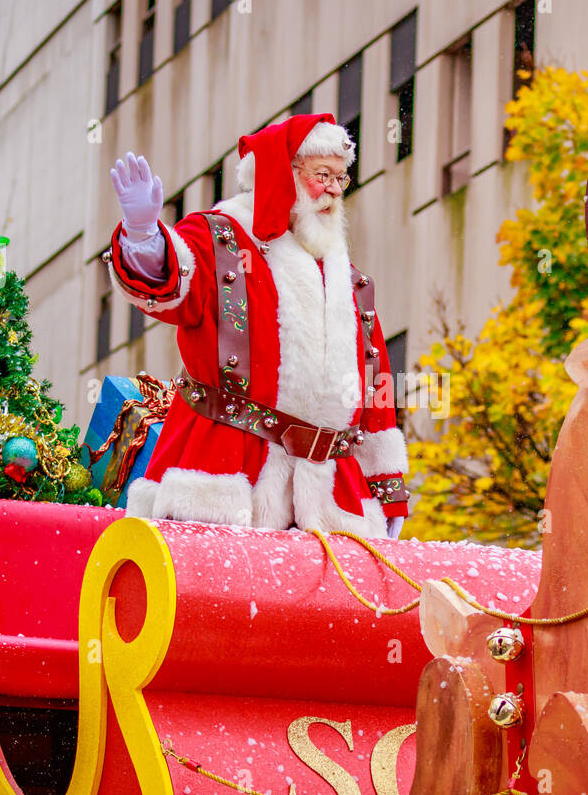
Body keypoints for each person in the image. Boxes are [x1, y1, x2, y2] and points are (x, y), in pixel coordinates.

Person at [107, 113, 409, 538]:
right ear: (282, 174)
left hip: (332, 497)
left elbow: (375, 393)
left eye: (342, 179)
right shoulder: (220, 239)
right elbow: (171, 286)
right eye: (323, 176)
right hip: (224, 474)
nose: (335, 191)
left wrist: (386, 490)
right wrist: (144, 238)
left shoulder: (349, 280)